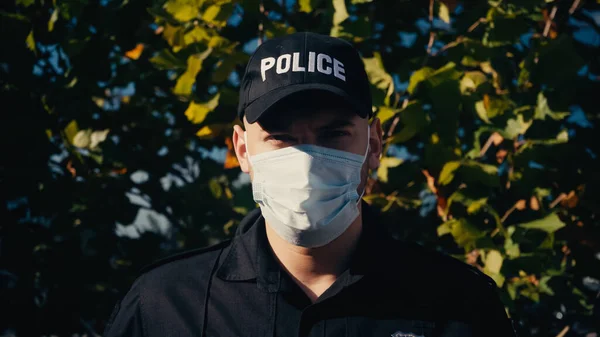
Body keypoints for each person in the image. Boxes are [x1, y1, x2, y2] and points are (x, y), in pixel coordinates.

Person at [104, 32, 517, 337]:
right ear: (242, 150)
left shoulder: (459, 306)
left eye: (334, 134)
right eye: (281, 138)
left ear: (373, 144)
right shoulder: (165, 305)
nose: (305, 164)